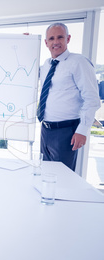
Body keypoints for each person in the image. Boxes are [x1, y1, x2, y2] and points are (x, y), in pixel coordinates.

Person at [37, 23, 100, 171]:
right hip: (46, 129)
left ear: (68, 38)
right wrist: (24, 44)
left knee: (62, 179)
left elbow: (92, 99)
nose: (56, 42)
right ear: (46, 42)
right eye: (51, 38)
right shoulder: (46, 65)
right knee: (45, 174)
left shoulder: (79, 62)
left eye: (60, 37)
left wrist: (82, 130)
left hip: (66, 131)